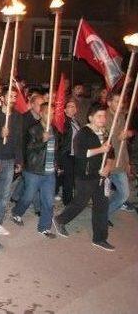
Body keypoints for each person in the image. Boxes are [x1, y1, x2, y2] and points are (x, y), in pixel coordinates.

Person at [53, 103, 114, 251]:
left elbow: (111, 154)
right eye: (99, 116)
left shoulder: (106, 133)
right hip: (85, 175)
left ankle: (99, 238)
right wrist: (101, 149)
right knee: (79, 203)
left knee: (102, 207)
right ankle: (60, 219)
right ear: (91, 117)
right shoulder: (84, 133)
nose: (102, 119)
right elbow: (81, 154)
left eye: (104, 116)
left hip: (101, 176)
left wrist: (107, 168)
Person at [10, 103, 57, 238]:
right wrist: (42, 140)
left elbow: (55, 149)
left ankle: (44, 227)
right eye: (48, 113)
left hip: (49, 172)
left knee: (48, 201)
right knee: (28, 197)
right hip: (33, 171)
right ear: (41, 113)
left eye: (53, 113)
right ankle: (17, 212)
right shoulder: (33, 129)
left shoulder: (54, 130)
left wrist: (56, 164)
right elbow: (28, 149)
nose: (51, 116)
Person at [0, 87, 23, 236]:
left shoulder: (17, 116)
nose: (13, 99)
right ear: (2, 98)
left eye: (15, 96)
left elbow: (19, 139)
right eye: (10, 96)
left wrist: (19, 159)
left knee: (4, 193)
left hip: (9, 159)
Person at [104, 92, 133, 224]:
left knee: (123, 194)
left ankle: (104, 214)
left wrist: (127, 162)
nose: (120, 104)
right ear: (109, 102)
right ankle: (102, 215)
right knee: (104, 193)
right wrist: (118, 136)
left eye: (121, 101)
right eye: (116, 101)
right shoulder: (103, 116)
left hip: (120, 161)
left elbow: (124, 142)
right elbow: (105, 137)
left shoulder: (121, 116)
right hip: (107, 161)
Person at [55, 98, 79, 205]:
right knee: (68, 178)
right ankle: (68, 201)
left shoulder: (76, 122)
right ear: (64, 110)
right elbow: (61, 137)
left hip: (75, 154)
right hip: (66, 153)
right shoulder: (63, 122)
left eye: (74, 106)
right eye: (69, 106)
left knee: (67, 176)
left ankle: (55, 191)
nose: (72, 108)